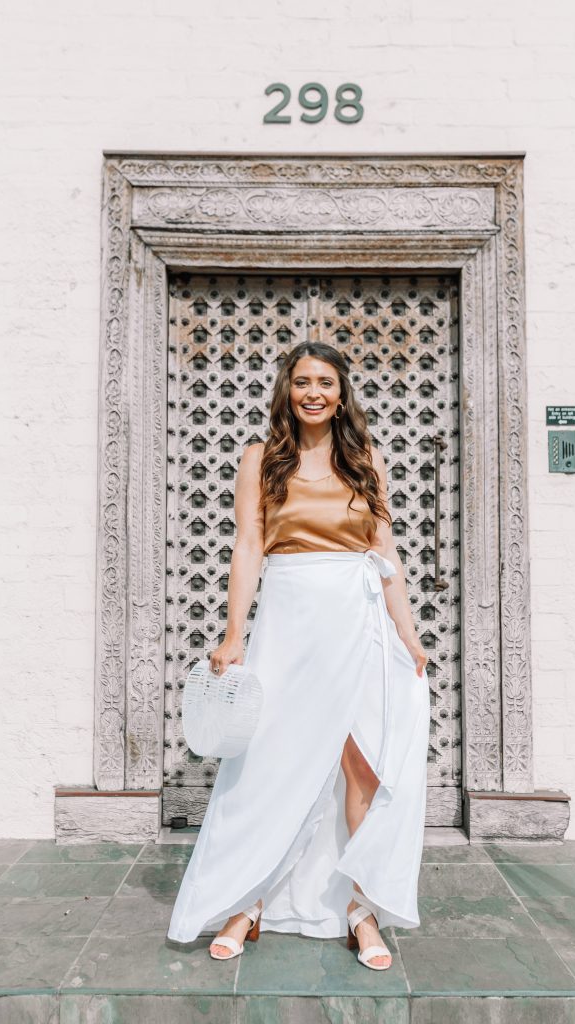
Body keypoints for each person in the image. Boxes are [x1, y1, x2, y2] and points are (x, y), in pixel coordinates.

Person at [167, 340, 430, 972]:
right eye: (303, 381)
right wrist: (234, 634)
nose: (314, 392)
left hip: (357, 623)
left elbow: (384, 551)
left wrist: (409, 631)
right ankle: (246, 900)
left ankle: (360, 910)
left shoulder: (364, 457)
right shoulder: (260, 458)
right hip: (288, 623)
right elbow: (249, 548)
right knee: (269, 763)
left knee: (363, 766)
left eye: (327, 382)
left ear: (342, 394)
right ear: (288, 389)